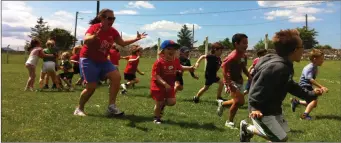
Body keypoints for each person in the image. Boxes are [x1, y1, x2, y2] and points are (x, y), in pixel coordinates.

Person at [239, 29, 324, 142]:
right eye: (302, 47)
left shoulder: (279, 62)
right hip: (261, 110)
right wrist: (255, 108)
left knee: (281, 135)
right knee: (281, 138)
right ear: (294, 50)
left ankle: (247, 129)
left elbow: (289, 85)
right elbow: (258, 86)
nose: (303, 50)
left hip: (274, 107)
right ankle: (248, 129)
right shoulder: (279, 67)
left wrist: (310, 94)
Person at [73, 8, 147, 117]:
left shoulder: (113, 31)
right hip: (88, 59)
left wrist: (136, 39)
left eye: (113, 18)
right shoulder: (94, 28)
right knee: (91, 88)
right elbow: (86, 40)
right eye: (109, 18)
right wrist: (94, 36)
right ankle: (79, 108)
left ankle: (111, 106)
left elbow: (122, 43)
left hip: (103, 60)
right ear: (101, 18)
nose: (112, 20)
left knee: (116, 77)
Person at [150, 40, 195, 124]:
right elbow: (156, 76)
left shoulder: (175, 60)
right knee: (159, 103)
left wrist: (189, 68)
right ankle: (156, 118)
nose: (172, 51)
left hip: (169, 85)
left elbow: (180, 67)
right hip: (158, 85)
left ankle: (162, 106)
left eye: (174, 49)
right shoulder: (159, 62)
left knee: (172, 102)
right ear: (163, 51)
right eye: (169, 49)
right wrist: (164, 83)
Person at [216, 33, 251, 129]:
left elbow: (243, 67)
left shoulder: (244, 55)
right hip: (231, 81)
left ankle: (222, 104)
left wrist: (249, 76)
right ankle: (229, 122)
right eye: (244, 43)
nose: (246, 45)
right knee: (237, 101)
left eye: (247, 43)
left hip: (239, 81)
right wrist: (228, 84)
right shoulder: (232, 56)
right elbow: (224, 68)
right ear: (236, 44)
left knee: (241, 102)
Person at [291, 49, 328, 120]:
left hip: (307, 85)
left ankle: (296, 102)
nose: (323, 60)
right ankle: (304, 116)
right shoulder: (310, 67)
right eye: (321, 59)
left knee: (313, 103)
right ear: (315, 59)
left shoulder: (314, 67)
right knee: (313, 101)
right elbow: (309, 79)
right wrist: (321, 87)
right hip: (304, 86)